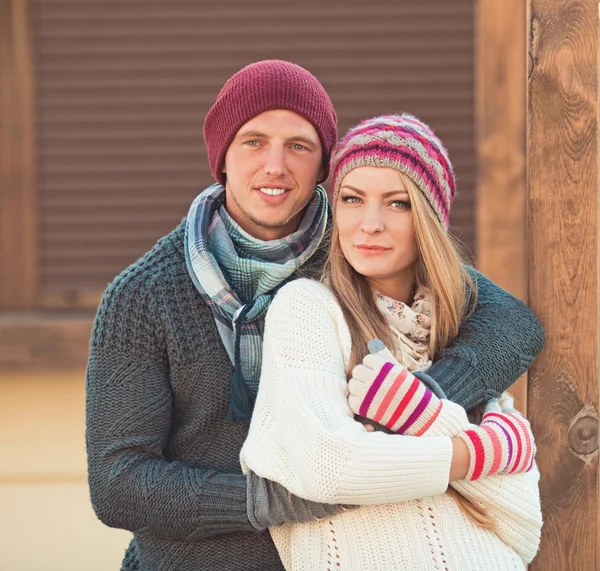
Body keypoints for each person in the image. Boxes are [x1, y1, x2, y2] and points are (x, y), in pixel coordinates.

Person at [86, 61, 544, 571]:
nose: (275, 166)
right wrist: (277, 500)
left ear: (325, 162)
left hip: (348, 554)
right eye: (253, 141)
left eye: (298, 146)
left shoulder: (356, 245)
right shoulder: (143, 295)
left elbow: (510, 323)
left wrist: (418, 404)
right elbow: (120, 484)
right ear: (221, 157)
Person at [240, 114, 543, 570]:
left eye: (397, 203)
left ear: (429, 218)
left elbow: (522, 525)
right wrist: (481, 450)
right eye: (352, 199)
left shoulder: (461, 329)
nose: (370, 224)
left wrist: (419, 417)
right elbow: (331, 468)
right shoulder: (306, 308)